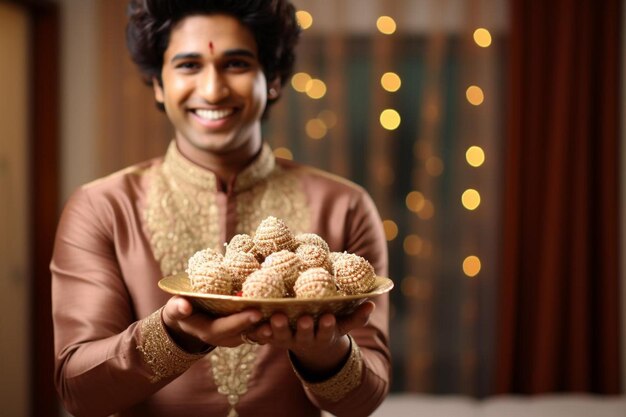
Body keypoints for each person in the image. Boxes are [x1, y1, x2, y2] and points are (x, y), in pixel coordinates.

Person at [51, 1, 390, 416]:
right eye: (189, 65)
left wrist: (325, 350)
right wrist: (173, 334)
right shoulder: (102, 207)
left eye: (236, 64)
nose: (213, 90)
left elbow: (365, 401)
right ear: (158, 83)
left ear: (275, 79)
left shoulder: (344, 206)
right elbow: (78, 392)